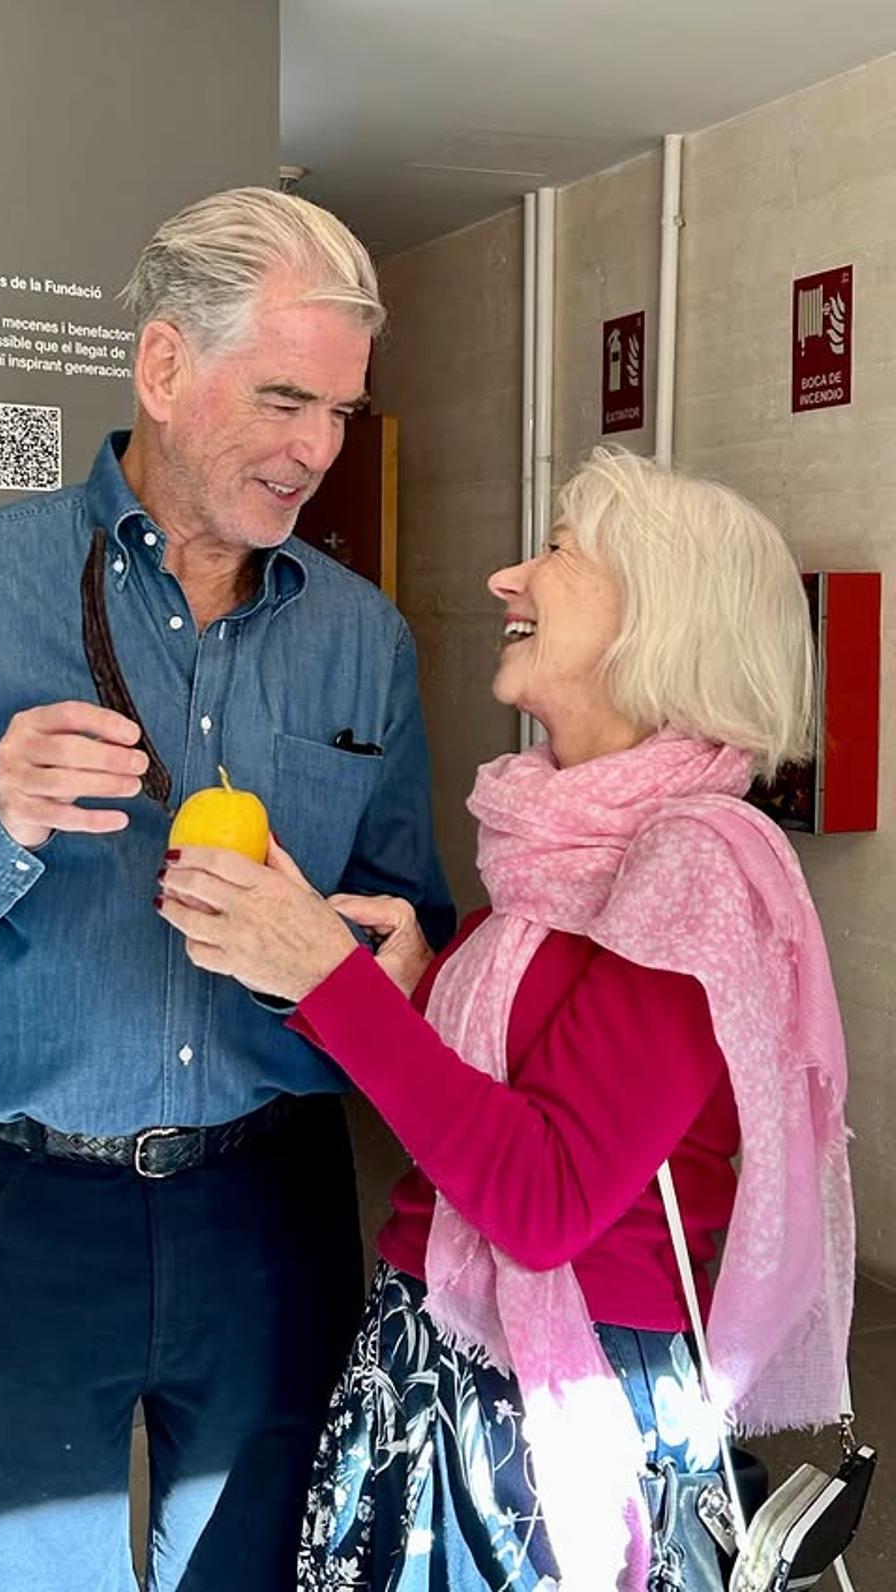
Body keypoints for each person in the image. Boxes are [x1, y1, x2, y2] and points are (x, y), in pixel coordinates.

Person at [0, 187, 454, 1592]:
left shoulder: (362, 642)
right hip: (24, 1223)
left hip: (272, 1214)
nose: (317, 450)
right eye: (283, 399)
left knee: (260, 1576)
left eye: (337, 411)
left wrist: (358, 961)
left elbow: (416, 932)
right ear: (162, 366)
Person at [157, 449, 857, 1591]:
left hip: (549, 1405)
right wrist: (411, 985)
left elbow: (544, 1198)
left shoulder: (695, 861)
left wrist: (328, 974)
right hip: (449, 1350)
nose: (505, 577)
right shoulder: (568, 847)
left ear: (656, 618)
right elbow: (532, 1079)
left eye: (561, 550)